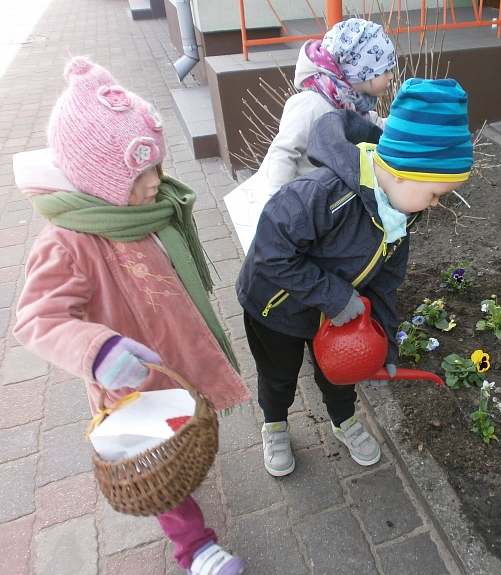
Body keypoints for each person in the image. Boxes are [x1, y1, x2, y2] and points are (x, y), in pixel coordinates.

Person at [12, 57, 250, 575]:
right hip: (128, 378)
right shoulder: (67, 240)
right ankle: (195, 548)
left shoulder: (142, 210)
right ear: (95, 179)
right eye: (139, 175)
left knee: (180, 437)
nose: (155, 185)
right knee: (155, 463)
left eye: (157, 168)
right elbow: (36, 318)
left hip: (174, 356)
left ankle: (187, 461)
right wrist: (96, 351)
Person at [236, 77, 474, 477]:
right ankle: (275, 424)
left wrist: (386, 350)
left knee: (339, 372)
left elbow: (385, 285)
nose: (434, 205)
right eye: (435, 194)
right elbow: (270, 254)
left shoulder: (399, 217)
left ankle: (343, 419)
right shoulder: (323, 193)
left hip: (332, 316)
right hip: (274, 307)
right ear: (402, 172)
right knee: (278, 375)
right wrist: (334, 295)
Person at [224, 17, 396, 252]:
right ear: (360, 69)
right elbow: (283, 152)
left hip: (323, 206)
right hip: (297, 208)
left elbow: (377, 129)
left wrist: (410, 124)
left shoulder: (354, 105)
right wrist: (279, 210)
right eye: (385, 69)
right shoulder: (311, 103)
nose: (391, 76)